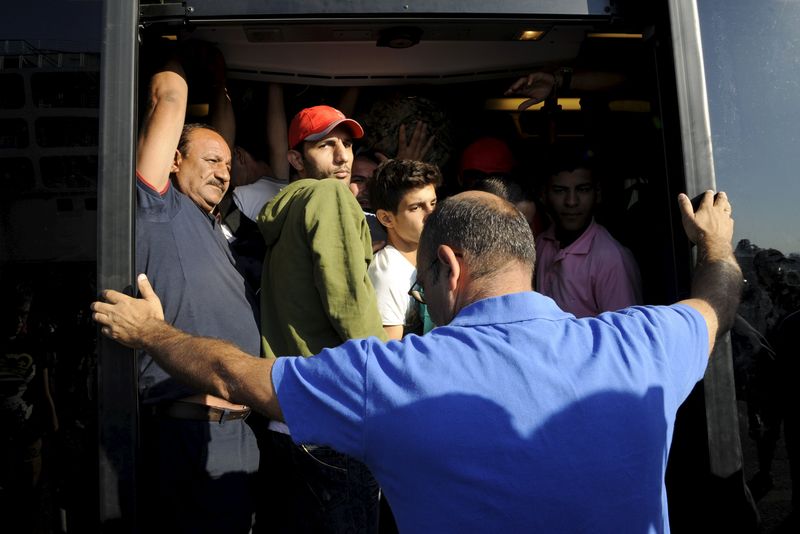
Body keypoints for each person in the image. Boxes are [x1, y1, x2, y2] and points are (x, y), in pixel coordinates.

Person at [93, 188, 740, 533]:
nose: (418, 291)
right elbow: (718, 302)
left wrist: (150, 332)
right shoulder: (644, 343)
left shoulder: (390, 379)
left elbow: (236, 375)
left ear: (449, 267)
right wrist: (715, 243)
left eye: (421, 278)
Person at [134, 51, 262, 533]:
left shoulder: (216, 227)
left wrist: (222, 82)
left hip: (241, 432)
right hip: (189, 433)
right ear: (171, 161)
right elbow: (170, 97)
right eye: (210, 161)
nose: (223, 171)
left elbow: (219, 144)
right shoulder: (158, 209)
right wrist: (170, 41)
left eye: (228, 165)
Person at [256, 104, 388, 533]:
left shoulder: (290, 208)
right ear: (296, 159)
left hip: (285, 420)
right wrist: (386, 386)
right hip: (333, 417)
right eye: (325, 144)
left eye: (347, 144)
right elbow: (349, 301)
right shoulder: (328, 196)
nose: (342, 156)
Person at [535, 146, 642, 317]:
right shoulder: (541, 244)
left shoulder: (611, 259)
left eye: (582, 190)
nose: (571, 201)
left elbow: (624, 335)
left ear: (597, 194)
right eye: (560, 191)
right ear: (544, 195)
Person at [367, 159, 441, 340]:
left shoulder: (437, 255)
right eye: (416, 207)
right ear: (386, 218)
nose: (431, 214)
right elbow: (388, 355)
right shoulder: (387, 274)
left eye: (433, 203)